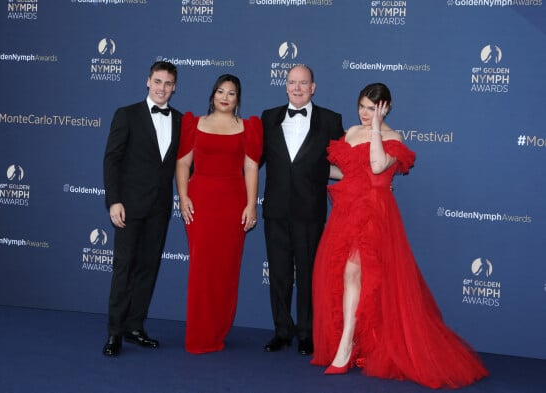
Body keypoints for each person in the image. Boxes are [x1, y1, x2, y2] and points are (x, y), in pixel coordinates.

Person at [310, 83, 489, 388]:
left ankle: (345, 347)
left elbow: (379, 165)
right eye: (363, 107)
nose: (366, 114)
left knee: (356, 273)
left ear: (386, 108)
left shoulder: (394, 138)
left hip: (375, 213)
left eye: (373, 108)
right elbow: (339, 170)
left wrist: (378, 129)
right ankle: (352, 344)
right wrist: (324, 169)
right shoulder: (351, 132)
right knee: (347, 275)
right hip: (346, 210)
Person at [176, 74, 262, 354]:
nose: (225, 97)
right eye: (220, 91)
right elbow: (182, 163)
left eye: (232, 93)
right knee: (202, 269)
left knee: (226, 269)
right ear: (213, 94)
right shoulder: (194, 123)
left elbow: (250, 168)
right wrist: (183, 195)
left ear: (238, 98)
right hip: (199, 201)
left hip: (233, 203)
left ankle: (218, 329)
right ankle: (199, 334)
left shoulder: (248, 127)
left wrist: (251, 204)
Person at [260, 65, 344, 356]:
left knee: (309, 274)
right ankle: (282, 331)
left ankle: (307, 334)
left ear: (313, 87)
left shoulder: (332, 121)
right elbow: (250, 161)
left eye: (303, 83)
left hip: (310, 211)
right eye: (292, 83)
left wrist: (372, 180)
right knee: (280, 274)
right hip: (275, 210)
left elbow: (346, 162)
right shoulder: (268, 118)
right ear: (285, 86)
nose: (297, 88)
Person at [102, 61, 182, 357]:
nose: (162, 88)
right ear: (148, 82)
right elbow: (112, 160)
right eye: (158, 81)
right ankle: (114, 333)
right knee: (124, 269)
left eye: (168, 83)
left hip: (160, 208)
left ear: (174, 87)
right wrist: (114, 200)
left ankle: (134, 327)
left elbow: (186, 166)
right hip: (129, 207)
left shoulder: (180, 120)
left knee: (148, 269)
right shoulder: (127, 114)